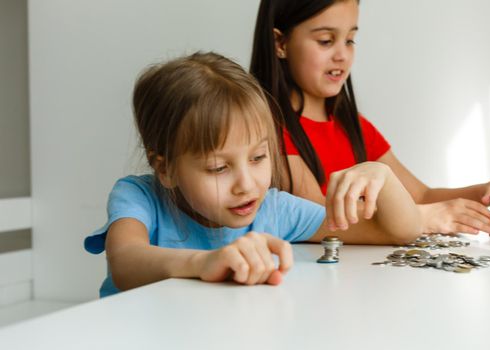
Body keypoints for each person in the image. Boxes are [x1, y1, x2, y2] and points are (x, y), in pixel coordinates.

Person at [84, 52, 421, 297]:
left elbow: (399, 233)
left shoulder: (275, 209)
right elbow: (125, 263)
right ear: (165, 168)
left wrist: (383, 176)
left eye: (259, 157)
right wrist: (205, 263)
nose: (247, 185)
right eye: (219, 168)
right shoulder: (139, 196)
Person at [249, 0, 490, 235]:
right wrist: (425, 219)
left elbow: (421, 196)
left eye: (350, 40)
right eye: (325, 41)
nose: (342, 55)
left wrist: (485, 193)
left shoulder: (353, 125)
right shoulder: (268, 128)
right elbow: (318, 216)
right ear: (280, 43)